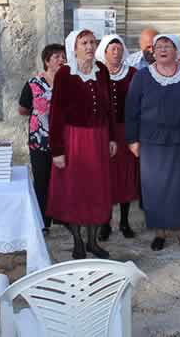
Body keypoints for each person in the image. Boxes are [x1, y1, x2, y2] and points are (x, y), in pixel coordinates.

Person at [125, 34, 180, 253]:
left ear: (177, 49)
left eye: (167, 46)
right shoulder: (142, 76)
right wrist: (132, 140)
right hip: (152, 143)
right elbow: (131, 109)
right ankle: (160, 233)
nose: (162, 50)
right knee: (156, 189)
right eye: (158, 46)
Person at [47, 29, 117, 259]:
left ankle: (92, 242)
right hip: (74, 140)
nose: (89, 47)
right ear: (74, 47)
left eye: (92, 42)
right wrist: (57, 150)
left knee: (96, 190)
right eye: (84, 43)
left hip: (98, 139)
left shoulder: (102, 70)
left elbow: (110, 110)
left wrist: (112, 137)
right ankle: (77, 241)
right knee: (76, 191)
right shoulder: (65, 74)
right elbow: (55, 114)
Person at [95, 34, 139, 241]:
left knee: (125, 176)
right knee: (106, 178)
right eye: (112, 49)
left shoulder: (132, 73)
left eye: (119, 49)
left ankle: (124, 221)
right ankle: (105, 222)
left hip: (126, 131)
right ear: (104, 52)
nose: (116, 52)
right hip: (104, 132)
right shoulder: (96, 73)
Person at [18, 43, 67, 231]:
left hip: (64, 141)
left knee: (64, 181)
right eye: (57, 57)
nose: (62, 60)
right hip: (39, 141)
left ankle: (63, 218)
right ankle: (43, 223)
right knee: (42, 182)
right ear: (47, 61)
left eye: (63, 56)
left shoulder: (69, 82)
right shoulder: (33, 83)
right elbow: (22, 109)